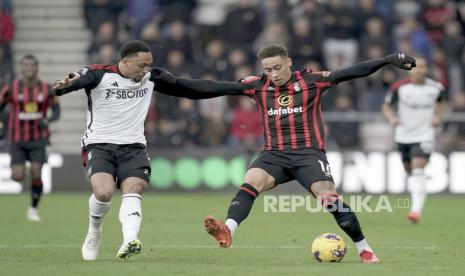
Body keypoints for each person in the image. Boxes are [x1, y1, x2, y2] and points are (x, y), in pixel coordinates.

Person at [151, 45, 416, 264]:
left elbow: (351, 72)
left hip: (308, 154)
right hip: (273, 154)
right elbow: (210, 88)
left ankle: (364, 248)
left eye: (278, 67)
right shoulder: (257, 86)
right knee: (250, 182)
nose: (274, 74)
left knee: (329, 199)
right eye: (268, 69)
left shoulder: (312, 81)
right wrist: (171, 83)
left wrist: (386, 60)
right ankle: (228, 230)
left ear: (289, 61)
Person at [51, 40, 218, 261]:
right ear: (125, 62)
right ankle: (94, 231)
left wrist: (238, 88)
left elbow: (190, 88)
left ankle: (130, 239)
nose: (146, 69)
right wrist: (63, 86)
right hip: (99, 144)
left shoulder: (151, 78)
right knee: (103, 193)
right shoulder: (100, 74)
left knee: (134, 188)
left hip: (133, 146)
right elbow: (75, 81)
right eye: (142, 65)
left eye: (149, 64)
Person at [382, 56, 445, 224]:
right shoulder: (399, 88)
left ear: (426, 69)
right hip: (403, 135)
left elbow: (440, 103)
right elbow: (386, 106)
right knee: (409, 171)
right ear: (410, 69)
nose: (419, 70)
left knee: (418, 168)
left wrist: (438, 117)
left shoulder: (436, 88)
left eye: (422, 67)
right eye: (416, 67)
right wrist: (392, 118)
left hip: (425, 135)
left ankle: (415, 211)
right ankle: (419, 191)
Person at [0, 54, 60, 222]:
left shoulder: (46, 88)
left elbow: (56, 111)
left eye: (32, 65)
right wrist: (4, 124)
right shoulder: (11, 88)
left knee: (36, 171)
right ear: (21, 68)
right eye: (26, 65)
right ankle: (22, 168)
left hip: (38, 139)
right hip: (17, 138)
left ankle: (33, 209)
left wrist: (47, 120)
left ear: (37, 68)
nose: (29, 68)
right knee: (17, 176)